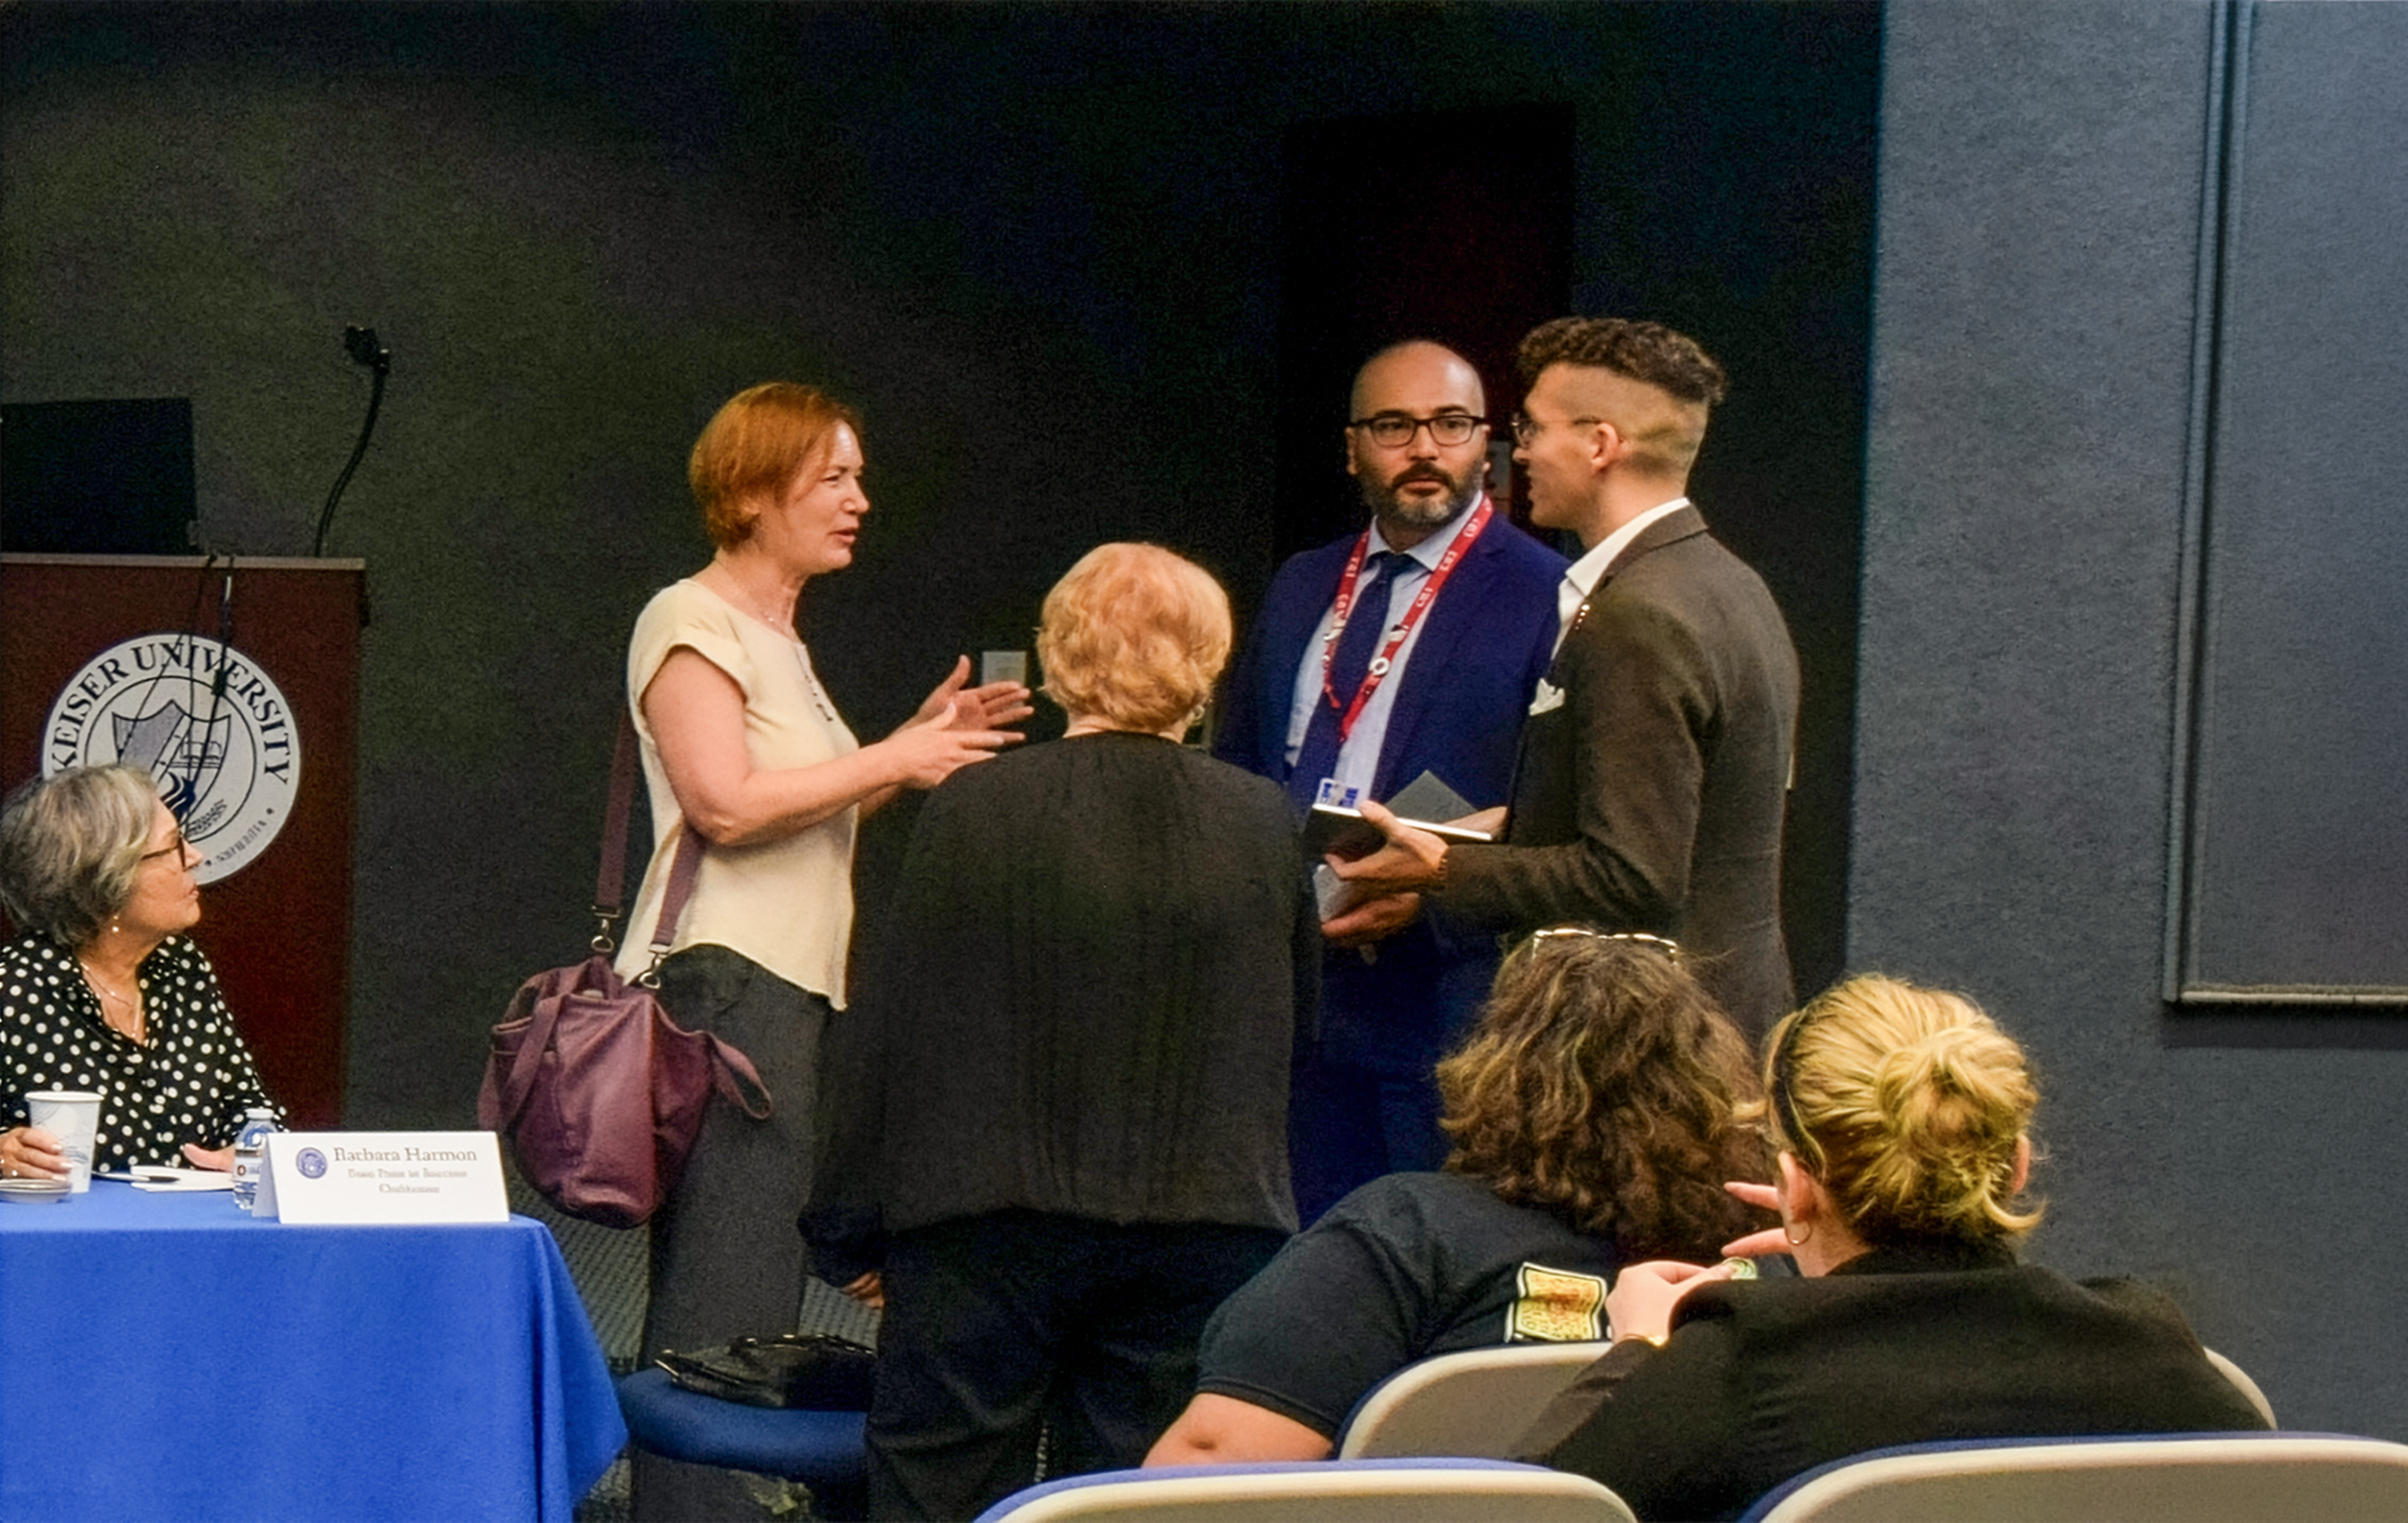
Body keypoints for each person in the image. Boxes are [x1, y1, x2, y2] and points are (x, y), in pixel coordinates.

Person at [804, 543, 1319, 1522]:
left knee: (935, 1489)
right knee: (1136, 1506)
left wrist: (847, 1229)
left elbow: (893, 1033)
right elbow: (1297, 1030)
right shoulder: (1263, 821)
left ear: (1055, 657)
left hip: (983, 1229)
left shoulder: (972, 808)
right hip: (1202, 1230)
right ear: (1209, 662)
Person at [621, 381, 1029, 1522]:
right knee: (724, 1297)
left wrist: (905, 748)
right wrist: (893, 761)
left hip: (779, 989)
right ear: (753, 491)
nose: (860, 499)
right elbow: (727, 807)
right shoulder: (689, 618)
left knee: (744, 1284)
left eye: (858, 476)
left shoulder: (777, 641)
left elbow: (798, 815)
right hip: (729, 991)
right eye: (833, 477)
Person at [1518, 975, 2271, 1521]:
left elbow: (1516, 1508)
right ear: (2014, 1166)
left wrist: (1640, 1348)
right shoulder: (2151, 1350)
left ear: (1792, 1183)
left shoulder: (1741, 1368)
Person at [1328, 317, 1801, 1038]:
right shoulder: (1730, 585)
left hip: (1654, 1050)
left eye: (1533, 429)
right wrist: (1511, 828)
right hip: (1720, 1026)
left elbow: (1633, 877)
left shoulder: (1637, 614)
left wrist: (1447, 870)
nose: (1519, 453)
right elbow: (1675, 822)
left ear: (1600, 445)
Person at [1144, 930, 1769, 1465]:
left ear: (1496, 1071)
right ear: (1715, 1092)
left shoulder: (1406, 1235)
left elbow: (1204, 1471)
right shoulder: (1767, 1273)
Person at [1216, 339, 1564, 1222]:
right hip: (1301, 990)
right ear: (1351, 448)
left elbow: (1566, 805)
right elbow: (1247, 764)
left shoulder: (1544, 593)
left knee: (1425, 1254)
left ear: (1484, 442)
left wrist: (1441, 877)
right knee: (1299, 1252)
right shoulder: (1302, 585)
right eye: (1394, 426)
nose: (1424, 449)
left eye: (1450, 425)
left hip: (1444, 995)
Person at [0, 765, 278, 1179]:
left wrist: (253, 1151)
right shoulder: (15, 987)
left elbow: (251, 1110)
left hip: (190, 1234)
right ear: (106, 876)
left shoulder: (182, 966)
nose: (196, 856)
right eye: (173, 847)